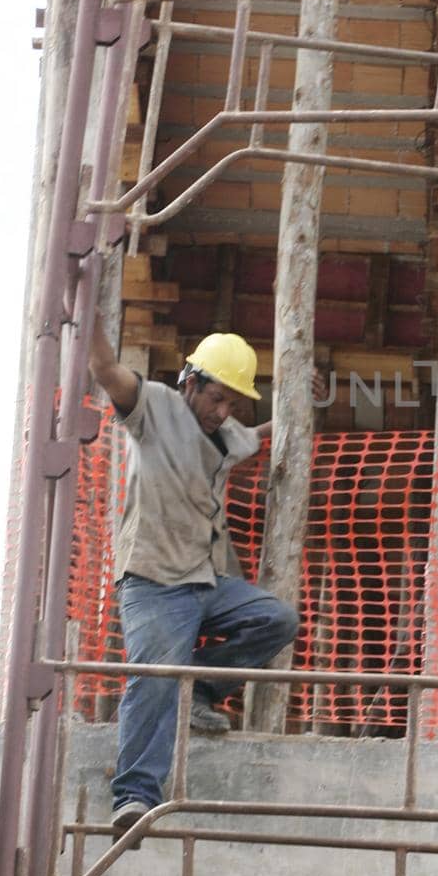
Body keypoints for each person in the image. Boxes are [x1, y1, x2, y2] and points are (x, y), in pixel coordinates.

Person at [89, 327, 302, 834]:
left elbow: (255, 436)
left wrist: (301, 408)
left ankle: (200, 688)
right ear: (189, 380)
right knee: (156, 674)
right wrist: (89, 313)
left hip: (204, 580)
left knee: (275, 619)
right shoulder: (154, 407)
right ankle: (135, 796)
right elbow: (105, 372)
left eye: (232, 402)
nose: (223, 410)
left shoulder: (226, 434)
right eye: (216, 397)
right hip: (154, 579)